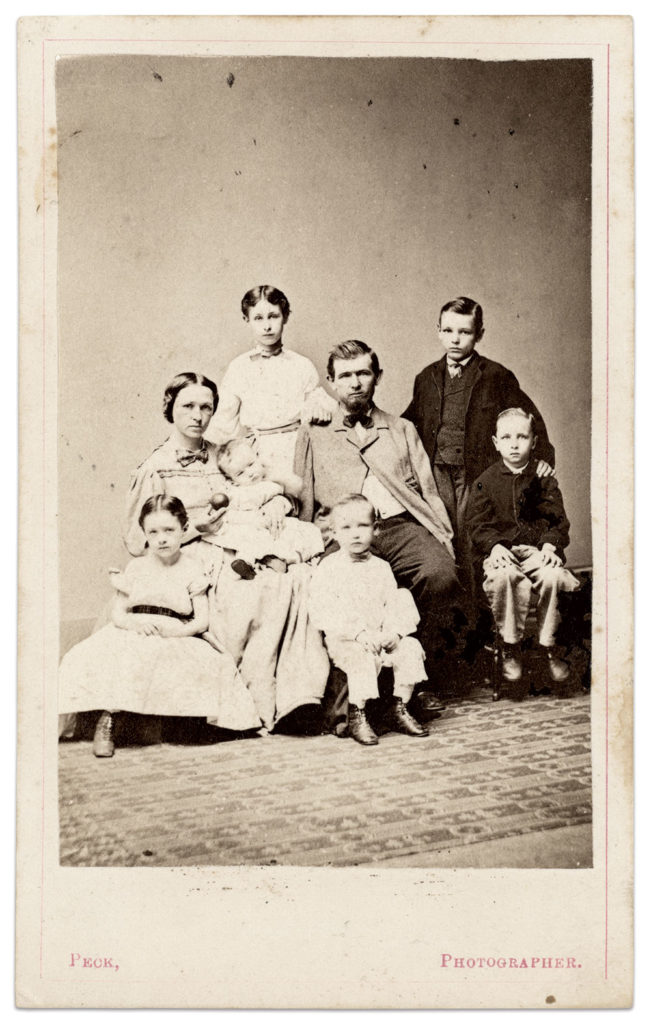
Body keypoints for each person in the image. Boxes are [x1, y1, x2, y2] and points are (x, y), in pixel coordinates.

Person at [124, 372, 329, 732]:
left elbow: (260, 485)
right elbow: (138, 541)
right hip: (193, 554)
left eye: (206, 407)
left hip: (244, 543)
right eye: (188, 406)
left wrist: (277, 504)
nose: (198, 415)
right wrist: (194, 529)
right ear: (170, 408)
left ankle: (297, 698)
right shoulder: (156, 466)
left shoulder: (225, 454)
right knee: (248, 591)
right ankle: (239, 707)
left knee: (300, 578)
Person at [294, 339, 464, 707]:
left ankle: (419, 682)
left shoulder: (401, 429)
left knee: (440, 574)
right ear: (331, 381)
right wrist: (304, 547)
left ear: (377, 377)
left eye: (363, 373)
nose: (355, 382)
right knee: (336, 587)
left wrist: (443, 538)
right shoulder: (313, 431)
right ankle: (359, 695)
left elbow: (428, 492)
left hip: (399, 528)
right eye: (345, 375)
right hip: (340, 534)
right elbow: (304, 495)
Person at [59, 495, 261, 757]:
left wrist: (176, 631)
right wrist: (134, 624)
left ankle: (172, 724)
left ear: (184, 529)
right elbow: (119, 614)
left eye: (169, 530)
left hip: (175, 632)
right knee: (100, 655)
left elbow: (201, 619)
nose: (162, 539)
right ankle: (107, 720)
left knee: (185, 662)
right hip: (133, 628)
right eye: (153, 532)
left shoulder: (192, 568)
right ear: (144, 533)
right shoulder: (136, 567)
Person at [402, 296, 555, 598]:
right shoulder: (427, 377)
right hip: (435, 474)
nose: (455, 339)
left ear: (479, 334)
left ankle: (480, 620)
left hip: (476, 475)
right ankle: (450, 618)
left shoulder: (496, 376)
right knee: (442, 539)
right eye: (448, 331)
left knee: (474, 541)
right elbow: (409, 422)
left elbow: (528, 418)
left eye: (464, 332)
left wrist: (541, 459)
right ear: (438, 331)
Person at [466, 408, 580, 688]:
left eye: (522, 437)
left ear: (534, 441)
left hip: (536, 551)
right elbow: (478, 524)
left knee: (553, 577)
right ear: (495, 443)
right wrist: (493, 546)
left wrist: (550, 546)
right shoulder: (485, 481)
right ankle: (511, 646)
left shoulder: (544, 479)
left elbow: (557, 519)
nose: (514, 444)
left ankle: (549, 645)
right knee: (504, 577)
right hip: (502, 552)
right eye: (506, 437)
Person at [309, 494, 428, 746]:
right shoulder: (329, 568)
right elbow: (324, 611)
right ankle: (357, 713)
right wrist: (360, 635)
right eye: (346, 528)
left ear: (376, 530)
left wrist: (393, 634)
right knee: (360, 657)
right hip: (347, 640)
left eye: (362, 526)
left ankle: (399, 706)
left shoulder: (382, 567)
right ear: (334, 533)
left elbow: (392, 604)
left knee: (410, 646)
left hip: (380, 636)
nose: (355, 534)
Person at [206, 285, 335, 476]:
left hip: (300, 450)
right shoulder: (239, 367)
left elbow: (318, 410)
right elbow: (222, 424)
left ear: (286, 317)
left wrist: (319, 409)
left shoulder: (302, 365)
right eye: (258, 318)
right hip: (259, 456)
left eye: (273, 316)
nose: (267, 326)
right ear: (246, 320)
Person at [215, 437, 323, 579]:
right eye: (240, 473)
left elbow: (295, 488)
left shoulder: (270, 482)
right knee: (248, 541)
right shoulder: (236, 493)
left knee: (305, 534)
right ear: (231, 480)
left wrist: (273, 474)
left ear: (258, 459)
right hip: (253, 527)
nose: (250, 473)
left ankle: (283, 560)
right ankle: (246, 564)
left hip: (279, 525)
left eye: (251, 464)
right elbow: (229, 514)